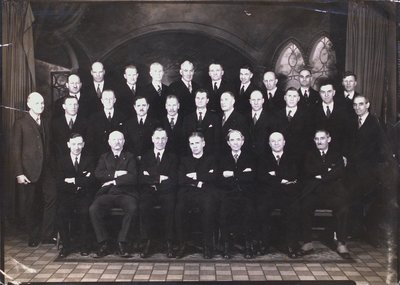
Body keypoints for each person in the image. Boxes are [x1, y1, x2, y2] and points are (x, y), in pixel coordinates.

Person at [13, 92, 57, 246]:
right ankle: (33, 236)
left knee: (52, 198)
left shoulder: (45, 121)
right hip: (29, 171)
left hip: (46, 170)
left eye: (43, 103)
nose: (41, 106)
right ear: (29, 104)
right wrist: (19, 173)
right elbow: (16, 150)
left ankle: (47, 235)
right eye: (37, 103)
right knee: (31, 204)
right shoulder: (21, 123)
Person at [299, 129, 351, 259]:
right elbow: (308, 171)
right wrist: (328, 170)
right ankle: (307, 242)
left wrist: (320, 175)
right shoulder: (309, 154)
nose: (319, 141)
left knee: (343, 207)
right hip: (314, 191)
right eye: (316, 139)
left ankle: (341, 243)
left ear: (329, 139)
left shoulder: (337, 154)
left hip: (332, 192)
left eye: (322, 138)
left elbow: (339, 172)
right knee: (305, 205)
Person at [89, 131, 138, 257]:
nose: (117, 142)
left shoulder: (130, 157)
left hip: (125, 193)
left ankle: (122, 242)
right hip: (107, 194)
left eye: (120, 139)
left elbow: (133, 177)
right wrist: (117, 174)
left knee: (132, 208)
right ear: (109, 142)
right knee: (93, 209)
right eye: (114, 139)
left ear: (124, 141)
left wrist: (113, 181)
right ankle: (103, 243)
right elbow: (98, 174)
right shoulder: (104, 157)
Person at [347, 95, 386, 245]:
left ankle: (371, 235)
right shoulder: (352, 122)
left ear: (367, 105)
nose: (358, 107)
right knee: (355, 201)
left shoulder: (376, 123)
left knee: (370, 204)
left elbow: (382, 148)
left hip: (370, 171)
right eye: (355, 105)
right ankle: (356, 231)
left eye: (361, 104)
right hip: (354, 171)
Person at [255, 132, 301, 258]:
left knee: (293, 209)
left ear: (284, 142)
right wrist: (281, 180)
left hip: (288, 194)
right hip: (269, 194)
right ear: (269, 144)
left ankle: (291, 245)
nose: (276, 143)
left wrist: (274, 176)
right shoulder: (263, 158)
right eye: (273, 141)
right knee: (261, 209)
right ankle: (263, 244)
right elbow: (261, 176)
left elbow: (293, 175)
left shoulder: (293, 157)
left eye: (279, 140)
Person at [175, 132, 219, 259]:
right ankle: (182, 244)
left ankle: (207, 246)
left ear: (203, 143)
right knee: (179, 209)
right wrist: (201, 179)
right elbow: (181, 179)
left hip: (206, 193)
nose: (194, 146)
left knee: (208, 208)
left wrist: (195, 176)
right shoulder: (184, 160)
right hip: (188, 193)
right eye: (192, 143)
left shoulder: (211, 159)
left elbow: (214, 176)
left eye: (197, 143)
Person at [138, 128, 178, 258]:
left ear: (166, 140)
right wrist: (160, 178)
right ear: (152, 139)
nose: (160, 141)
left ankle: (169, 242)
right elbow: (141, 178)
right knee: (143, 207)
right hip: (149, 191)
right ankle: (147, 242)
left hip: (167, 192)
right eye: (157, 138)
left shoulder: (173, 157)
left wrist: (151, 177)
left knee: (170, 207)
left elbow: (173, 178)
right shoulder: (145, 156)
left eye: (163, 138)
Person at [217, 129, 257, 259]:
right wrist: (242, 174)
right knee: (224, 212)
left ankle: (248, 245)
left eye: (238, 139)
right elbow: (220, 179)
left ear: (243, 141)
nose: (235, 143)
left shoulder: (250, 157)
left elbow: (252, 177)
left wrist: (233, 174)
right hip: (228, 193)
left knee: (249, 210)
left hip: (245, 193)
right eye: (232, 140)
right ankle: (227, 246)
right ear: (228, 143)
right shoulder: (222, 158)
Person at [56, 133, 97, 257]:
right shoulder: (61, 161)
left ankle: (84, 245)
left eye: (79, 144)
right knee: (61, 213)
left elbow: (91, 180)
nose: (76, 147)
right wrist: (79, 182)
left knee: (85, 212)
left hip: (84, 195)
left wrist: (72, 180)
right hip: (67, 196)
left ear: (83, 144)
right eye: (73, 144)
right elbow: (59, 182)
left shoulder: (89, 160)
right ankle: (66, 246)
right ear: (68, 145)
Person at [313, 80, 352, 158]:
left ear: (334, 92)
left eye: (329, 91)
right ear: (320, 94)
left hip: (340, 153)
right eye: (323, 92)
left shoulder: (344, 109)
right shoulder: (313, 110)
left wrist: (345, 155)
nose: (326, 95)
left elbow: (348, 134)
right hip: (319, 154)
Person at [274, 87, 313, 163]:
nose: (292, 99)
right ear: (285, 98)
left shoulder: (306, 115)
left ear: (298, 98)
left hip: (301, 157)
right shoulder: (277, 115)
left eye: (294, 96)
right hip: (282, 157)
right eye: (289, 96)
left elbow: (308, 138)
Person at [87, 90, 128, 160]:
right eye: (106, 99)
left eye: (111, 99)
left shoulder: (122, 116)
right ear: (102, 101)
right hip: (99, 155)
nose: (108, 101)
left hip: (118, 155)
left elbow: (125, 137)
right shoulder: (94, 118)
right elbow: (91, 139)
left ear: (114, 100)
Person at [183, 89, 221, 156]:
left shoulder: (215, 118)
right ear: (195, 99)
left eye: (202, 98)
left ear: (207, 100)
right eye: (198, 98)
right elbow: (185, 140)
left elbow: (217, 141)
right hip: (191, 157)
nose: (199, 101)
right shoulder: (187, 118)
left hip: (209, 157)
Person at [124, 96, 159, 161]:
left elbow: (157, 143)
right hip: (132, 159)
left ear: (148, 106)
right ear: (134, 107)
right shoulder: (128, 124)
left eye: (143, 105)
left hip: (150, 159)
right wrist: (135, 155)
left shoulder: (155, 123)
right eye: (138, 105)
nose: (141, 108)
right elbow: (126, 143)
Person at [247, 90, 275, 156]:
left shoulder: (271, 118)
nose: (256, 102)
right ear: (250, 101)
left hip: (265, 157)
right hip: (248, 157)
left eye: (258, 100)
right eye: (253, 100)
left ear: (263, 100)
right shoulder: (244, 118)